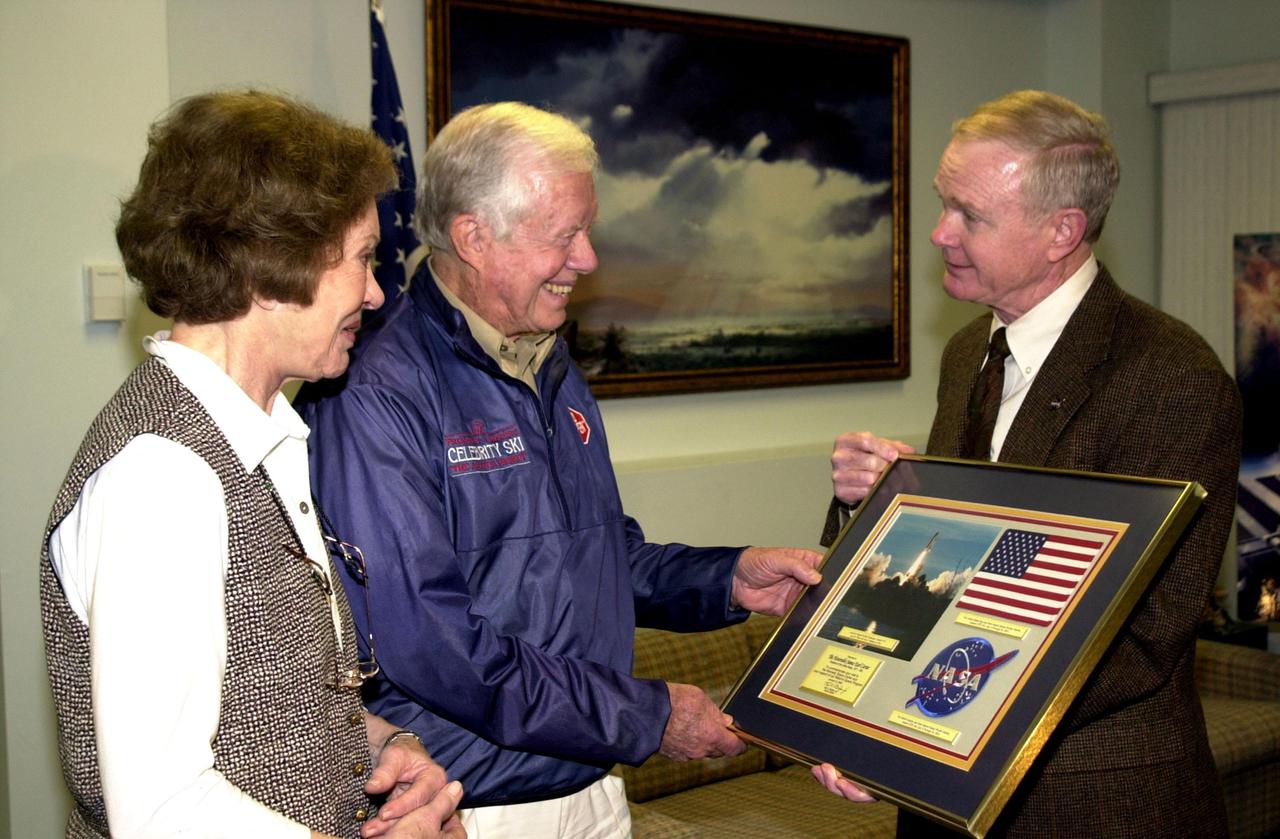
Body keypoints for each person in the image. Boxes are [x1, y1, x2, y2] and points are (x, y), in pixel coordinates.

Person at [298, 101, 870, 837]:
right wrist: (649, 717)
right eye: (565, 234)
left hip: (594, 786)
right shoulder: (374, 390)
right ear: (474, 237)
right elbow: (438, 650)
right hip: (471, 808)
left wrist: (728, 578)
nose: (589, 258)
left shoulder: (550, 361)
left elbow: (600, 557)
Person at [40, 90, 465, 839]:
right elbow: (163, 811)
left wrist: (392, 749)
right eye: (363, 258)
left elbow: (271, 710)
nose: (374, 291)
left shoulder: (259, 437)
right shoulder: (161, 475)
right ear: (273, 270)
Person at [822, 90, 1240, 836]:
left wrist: (907, 724)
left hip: (1087, 801)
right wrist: (891, 503)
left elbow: (1143, 631)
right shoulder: (966, 355)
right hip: (944, 786)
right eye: (944, 204)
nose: (939, 232)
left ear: (1061, 233)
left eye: (970, 215)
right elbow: (972, 561)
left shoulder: (1173, 379)